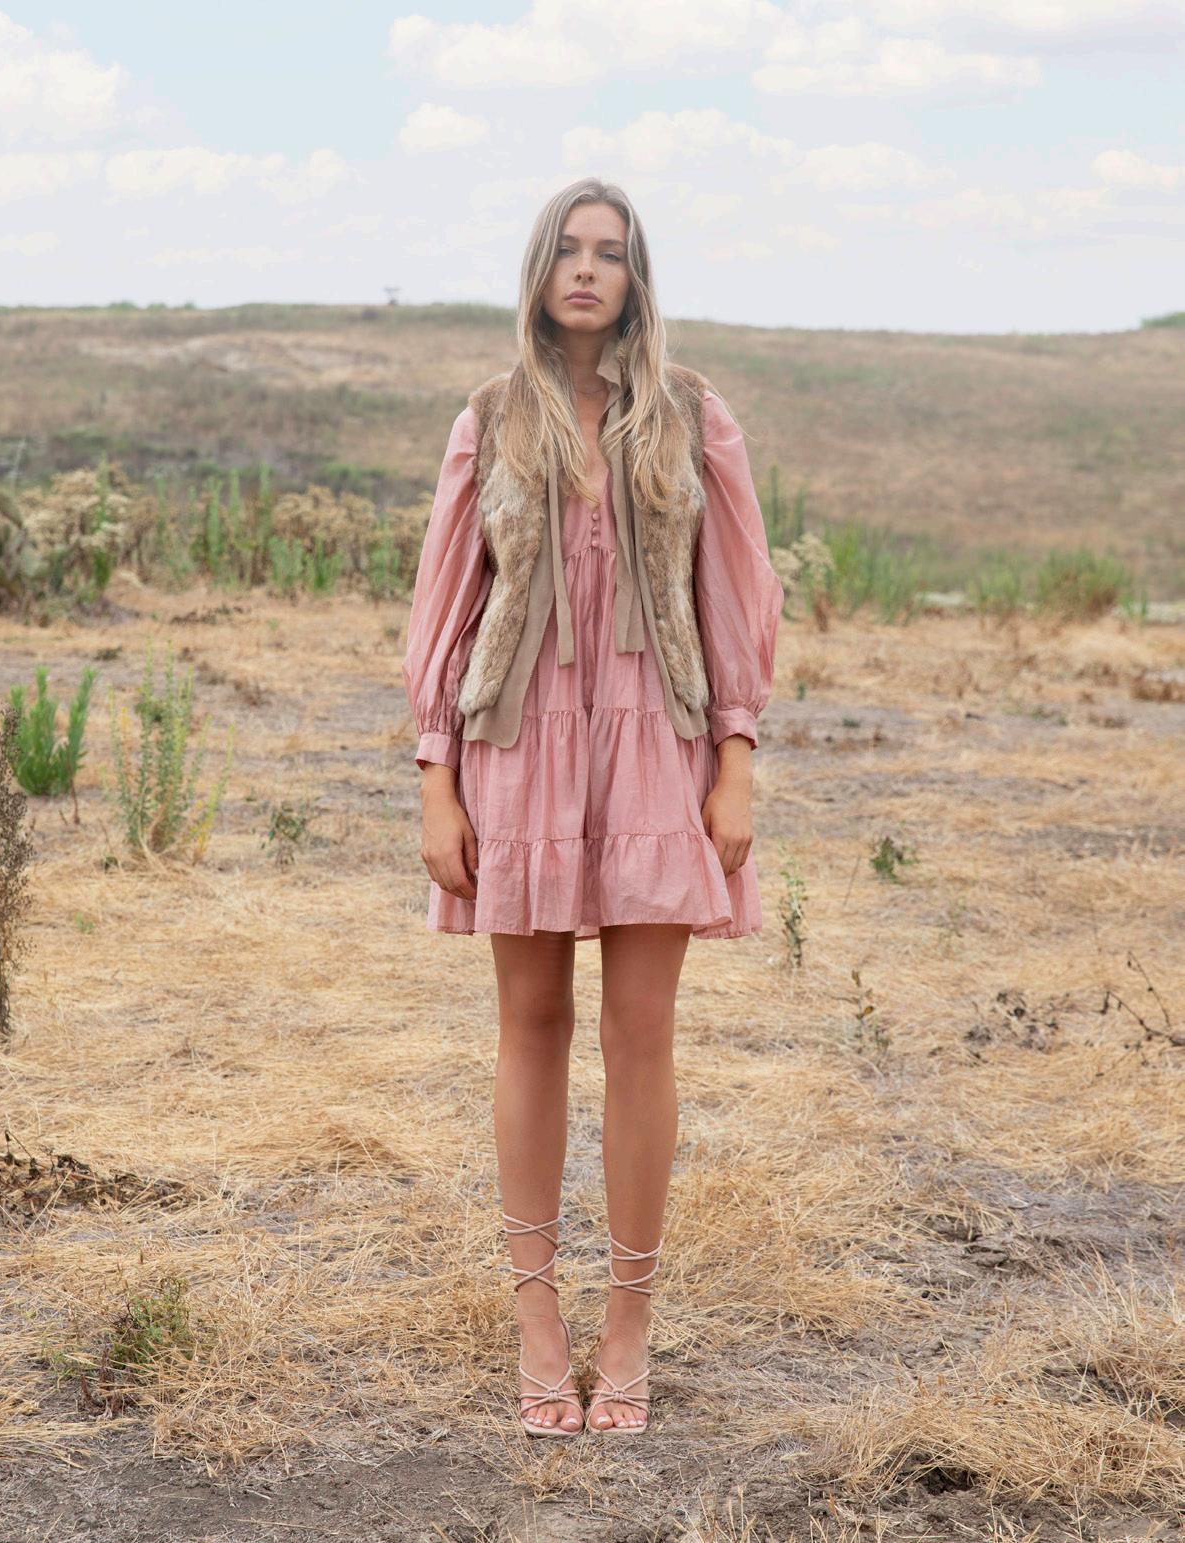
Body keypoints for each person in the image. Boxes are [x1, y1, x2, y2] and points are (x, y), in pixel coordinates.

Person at [401, 176, 783, 1437]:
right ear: (538, 270)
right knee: (530, 1023)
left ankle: (628, 1323)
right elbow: (447, 606)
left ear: (635, 277)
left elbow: (734, 595)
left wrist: (734, 758)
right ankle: (537, 1324)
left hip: (655, 744)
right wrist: (437, 778)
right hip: (517, 749)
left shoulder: (692, 417)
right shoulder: (489, 419)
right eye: (566, 249)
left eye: (608, 253)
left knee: (641, 1032)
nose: (584, 269)